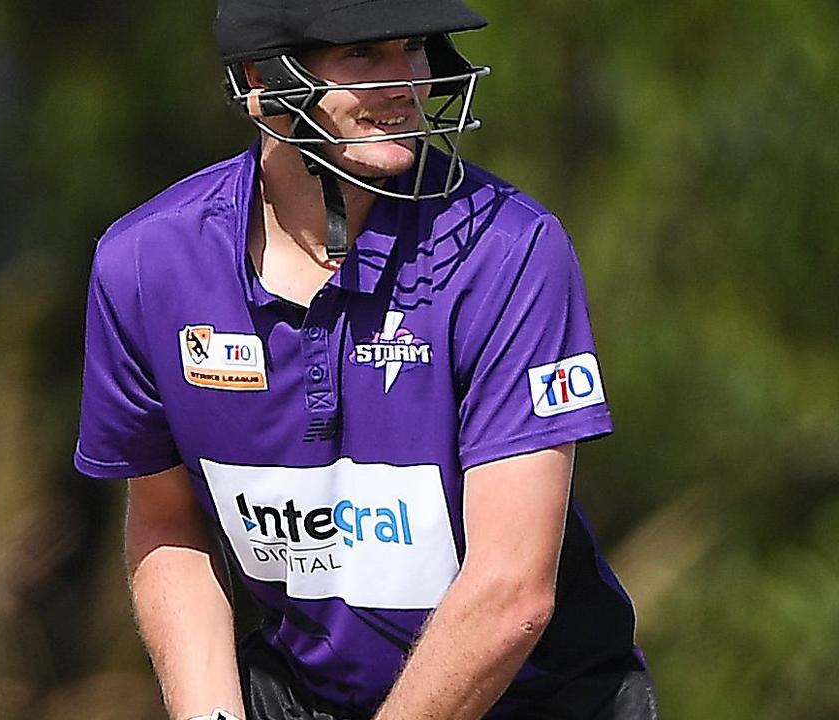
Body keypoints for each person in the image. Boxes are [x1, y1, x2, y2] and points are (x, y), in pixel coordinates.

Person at [74, 1, 658, 719]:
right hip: (302, 696)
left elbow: (511, 592)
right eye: (362, 56)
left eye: (411, 48)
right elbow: (167, 525)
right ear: (262, 80)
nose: (405, 81)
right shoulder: (145, 266)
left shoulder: (511, 252)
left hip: (535, 701)